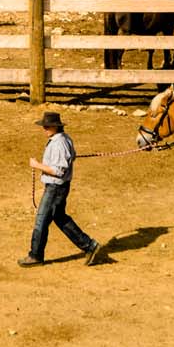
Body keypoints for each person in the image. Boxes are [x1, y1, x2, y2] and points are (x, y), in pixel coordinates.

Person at [20, 111, 109, 267]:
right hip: (60, 187)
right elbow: (72, 156)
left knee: (41, 221)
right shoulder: (65, 139)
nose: (44, 128)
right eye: (44, 125)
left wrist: (37, 165)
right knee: (60, 218)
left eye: (47, 126)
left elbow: (59, 171)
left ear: (56, 126)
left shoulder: (59, 143)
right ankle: (89, 246)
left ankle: (35, 255)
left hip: (55, 187)